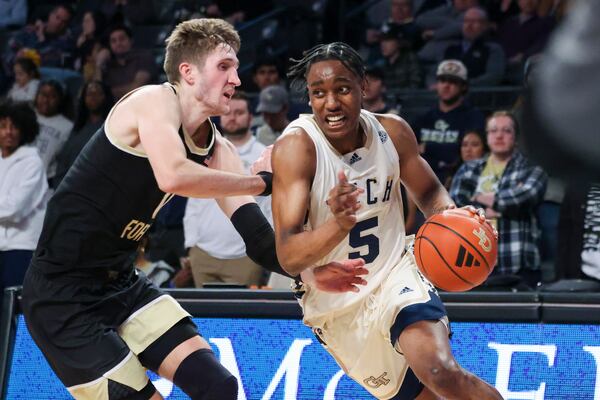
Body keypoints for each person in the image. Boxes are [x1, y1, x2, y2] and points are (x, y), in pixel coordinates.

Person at [21, 19, 367, 400]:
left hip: (120, 282)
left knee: (218, 386)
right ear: (187, 72)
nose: (236, 79)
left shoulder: (219, 150)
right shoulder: (151, 101)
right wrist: (264, 182)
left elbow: (259, 242)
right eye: (224, 67)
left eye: (236, 68)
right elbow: (172, 175)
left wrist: (311, 273)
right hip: (62, 294)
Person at [271, 42, 502, 400]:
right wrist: (337, 225)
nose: (331, 103)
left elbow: (429, 194)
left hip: (397, 273)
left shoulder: (392, 132)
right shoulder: (296, 149)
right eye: (319, 93)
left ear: (364, 87)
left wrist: (456, 222)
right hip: (338, 304)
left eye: (343, 89)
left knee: (442, 372)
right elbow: (287, 255)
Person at [450, 111, 547, 288]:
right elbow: (456, 204)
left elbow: (525, 196)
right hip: (475, 261)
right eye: (493, 130)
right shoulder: (469, 168)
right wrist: (497, 205)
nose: (499, 135)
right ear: (487, 137)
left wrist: (477, 199)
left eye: (506, 130)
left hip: (517, 262)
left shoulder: (531, 167)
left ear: (515, 137)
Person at [184, 91, 272, 288]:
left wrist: (267, 246)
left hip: (245, 254)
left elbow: (272, 206)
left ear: (251, 117)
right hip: (203, 252)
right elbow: (194, 198)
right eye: (228, 112)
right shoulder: (204, 149)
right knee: (204, 316)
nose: (232, 117)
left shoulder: (264, 154)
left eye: (239, 112)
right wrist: (191, 244)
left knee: (243, 316)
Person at [413, 59, 485, 184]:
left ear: (463, 86)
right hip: (422, 177)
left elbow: (468, 151)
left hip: (457, 177)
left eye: (453, 82)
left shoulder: (473, 116)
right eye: (442, 80)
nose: (446, 85)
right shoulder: (424, 117)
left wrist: (428, 147)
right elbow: (410, 150)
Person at [0, 101, 47, 291]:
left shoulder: (32, 162)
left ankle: (20, 324)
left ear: (24, 130)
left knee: (18, 310)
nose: (8, 132)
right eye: (3, 126)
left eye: (14, 126)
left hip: (21, 246)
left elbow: (14, 208)